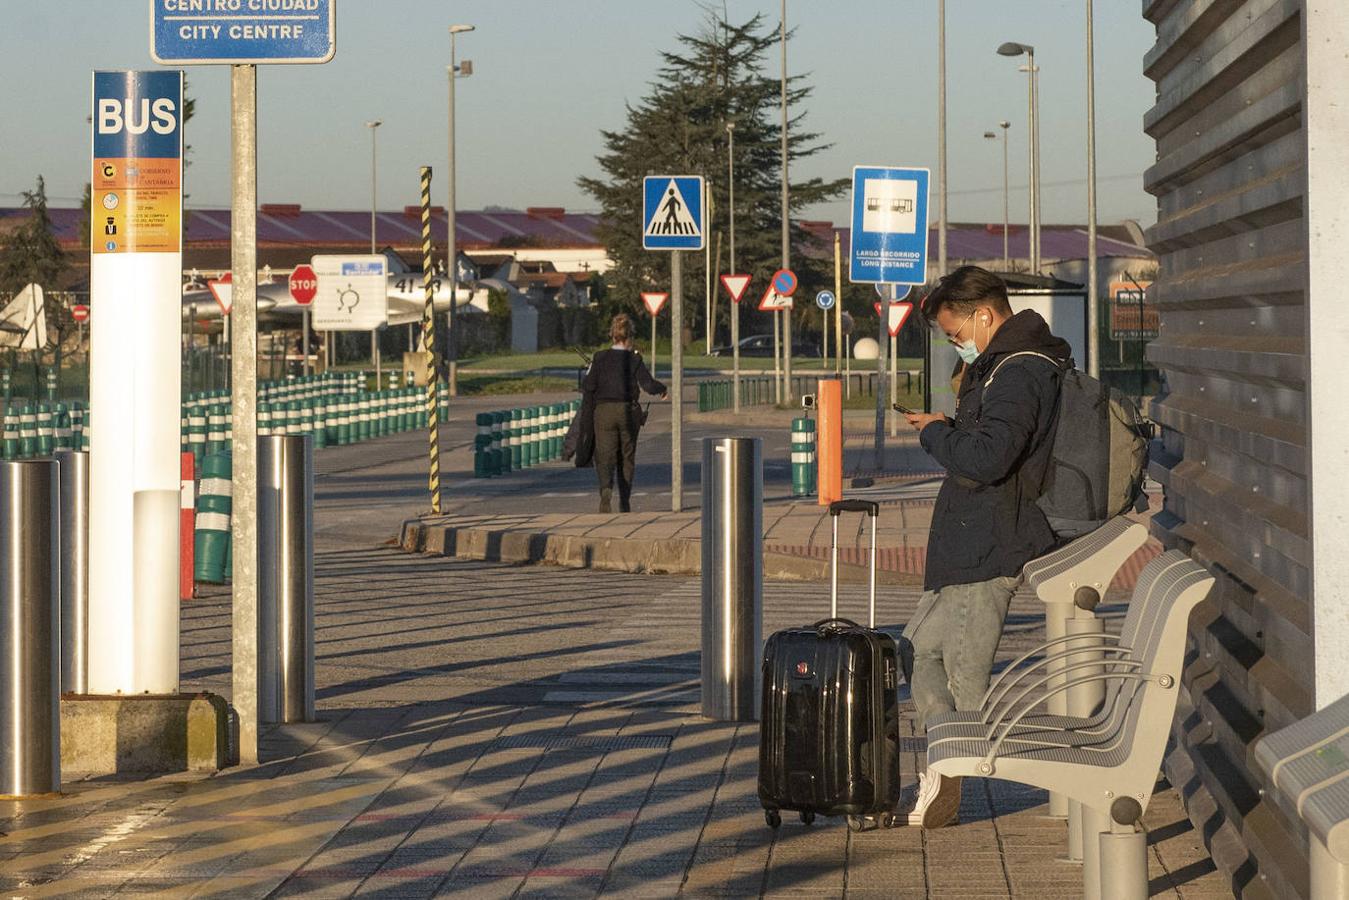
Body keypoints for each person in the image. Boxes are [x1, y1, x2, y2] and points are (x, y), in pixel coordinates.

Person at [899, 265, 1072, 828]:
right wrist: (947, 424)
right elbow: (990, 442)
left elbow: (989, 458)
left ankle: (949, 771)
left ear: (984, 313)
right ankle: (946, 761)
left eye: (955, 332)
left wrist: (933, 434)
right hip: (969, 539)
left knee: (960, 674)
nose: (956, 343)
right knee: (918, 650)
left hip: (993, 541)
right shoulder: (1003, 366)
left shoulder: (1020, 370)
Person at [582, 313, 667, 513]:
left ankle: (605, 492)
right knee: (626, 456)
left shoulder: (599, 358)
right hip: (628, 411)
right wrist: (662, 389)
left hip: (604, 412)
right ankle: (625, 499)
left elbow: (589, 385)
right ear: (630, 337)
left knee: (605, 455)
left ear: (612, 335)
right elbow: (648, 384)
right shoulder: (634, 359)